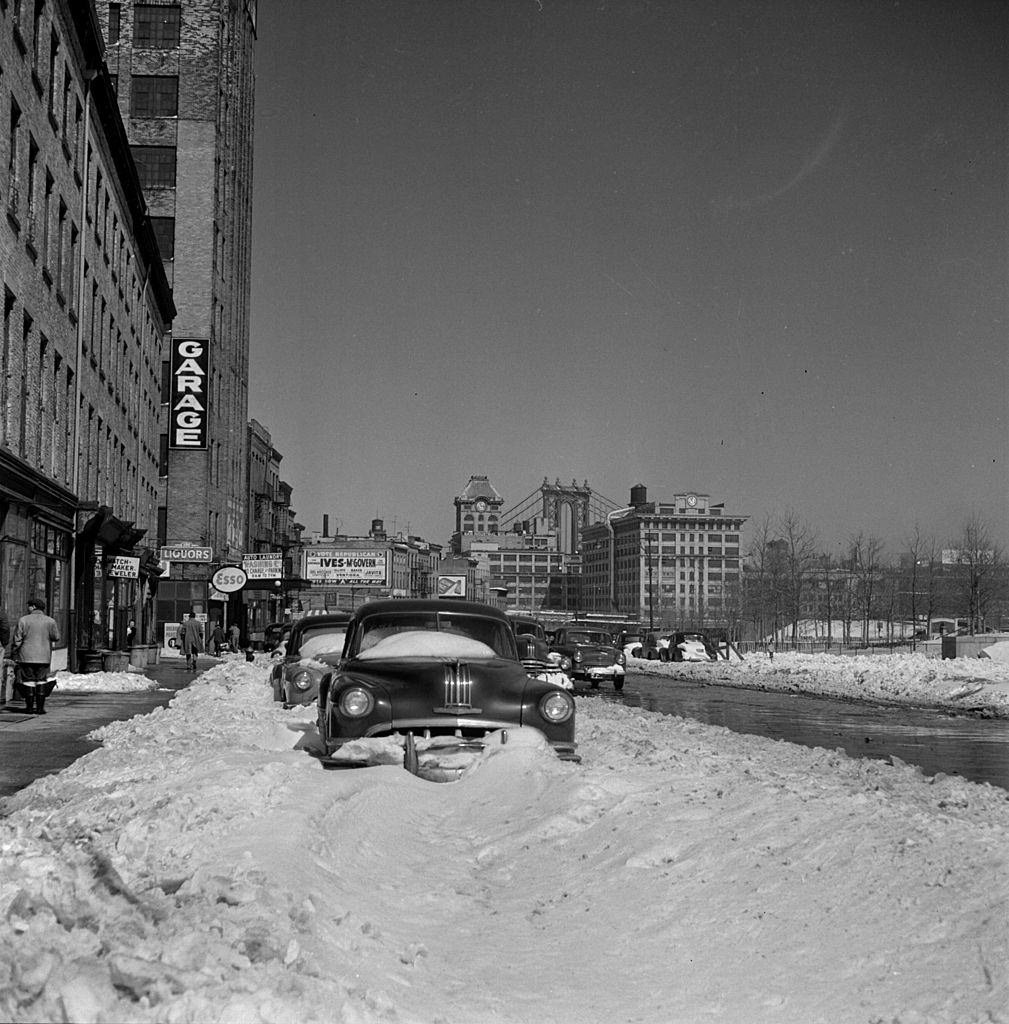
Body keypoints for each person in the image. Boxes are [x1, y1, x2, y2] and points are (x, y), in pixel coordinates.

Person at [11, 598, 60, 715]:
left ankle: (29, 708)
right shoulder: (50, 621)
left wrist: (14, 650)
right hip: (44, 657)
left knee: (28, 680)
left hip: (26, 656)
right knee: (41, 680)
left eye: (29, 606)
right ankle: (40, 708)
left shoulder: (23, 620)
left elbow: (17, 640)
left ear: (33, 607)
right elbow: (56, 637)